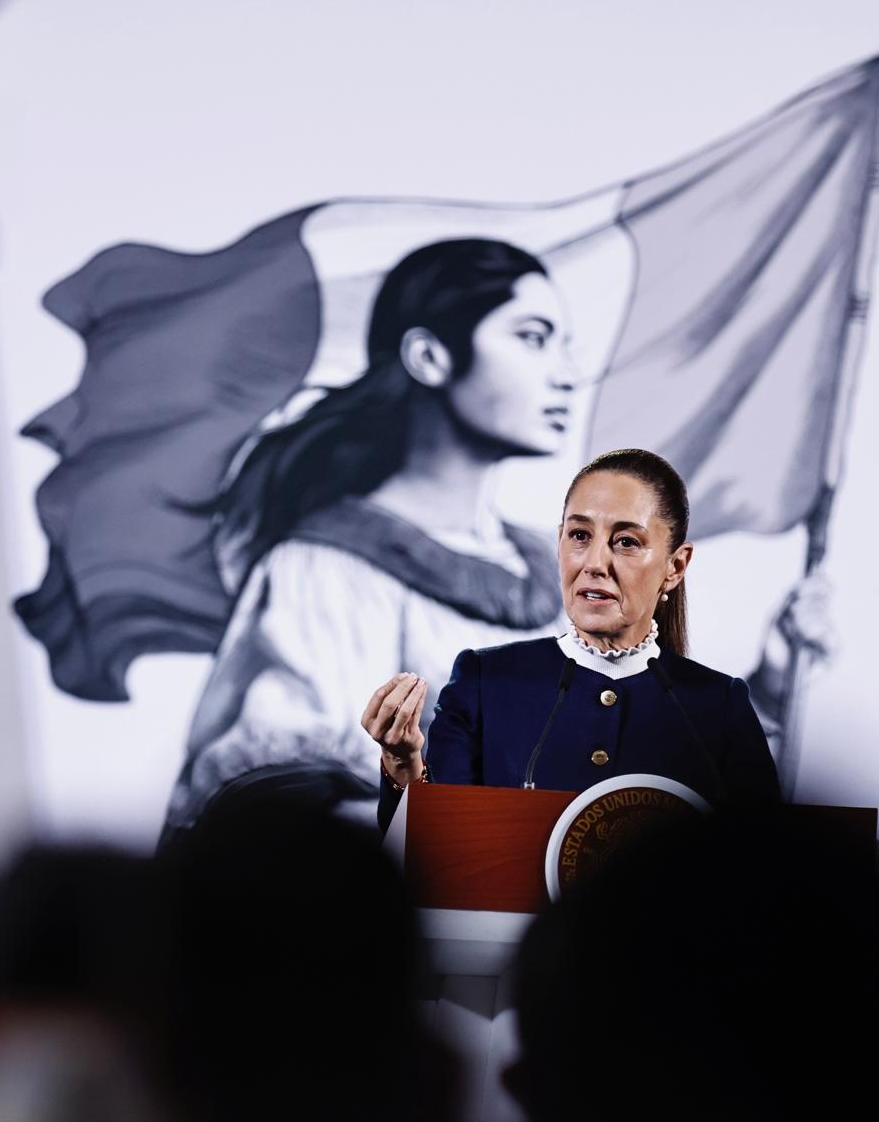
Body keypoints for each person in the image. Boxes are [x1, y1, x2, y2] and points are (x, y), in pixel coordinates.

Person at [162, 237, 577, 833]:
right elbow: (294, 805)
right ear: (429, 356)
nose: (566, 375)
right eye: (533, 339)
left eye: (567, 346)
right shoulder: (326, 568)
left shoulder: (557, 566)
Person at [365, 447, 779, 820]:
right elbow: (435, 863)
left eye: (626, 542)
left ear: (675, 566)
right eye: (579, 535)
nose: (594, 562)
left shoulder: (718, 707)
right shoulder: (484, 681)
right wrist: (403, 764)